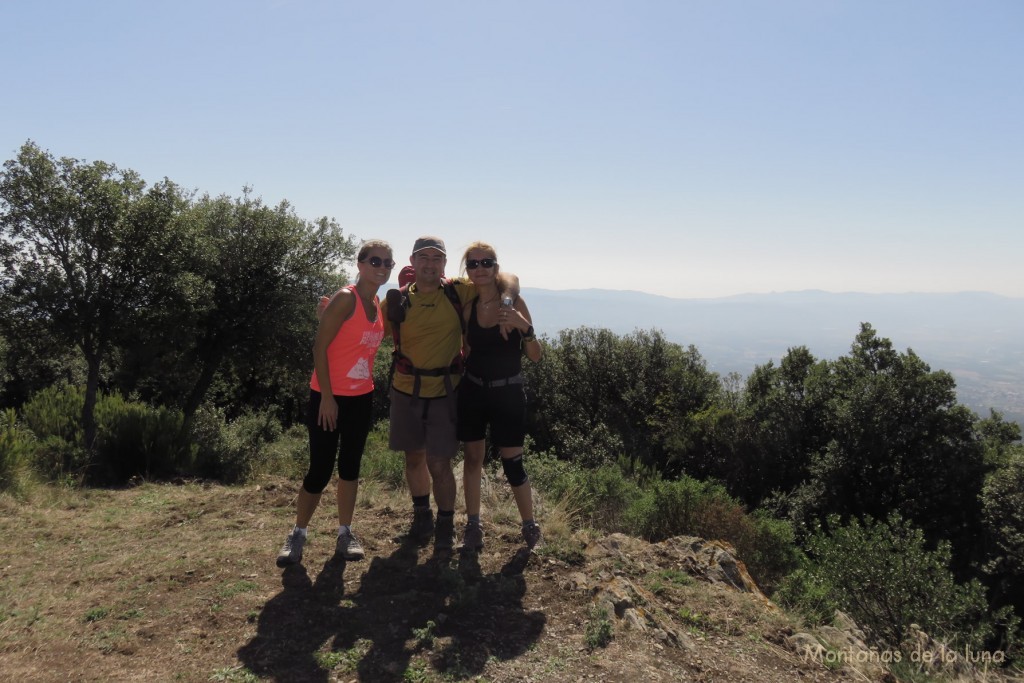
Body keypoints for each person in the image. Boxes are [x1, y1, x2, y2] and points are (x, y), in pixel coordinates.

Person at [383, 236, 518, 551]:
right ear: (412, 262)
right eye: (424, 258)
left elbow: (508, 279)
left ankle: (445, 523)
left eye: (437, 258)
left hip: (446, 391)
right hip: (405, 390)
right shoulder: (396, 300)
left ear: (444, 264)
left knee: (439, 462)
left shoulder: (457, 291)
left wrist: (508, 300)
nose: (430, 264)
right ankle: (422, 517)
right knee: (413, 457)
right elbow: (369, 332)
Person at [276, 240, 393, 567]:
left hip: (361, 397)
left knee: (350, 467)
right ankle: (298, 533)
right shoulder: (346, 298)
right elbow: (319, 348)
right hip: (329, 396)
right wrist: (327, 397)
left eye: (387, 263)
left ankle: (345, 533)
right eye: (374, 261)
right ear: (360, 264)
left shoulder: (376, 303)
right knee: (320, 468)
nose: (381, 267)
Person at [456, 242, 543, 552]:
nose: (480, 269)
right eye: (473, 264)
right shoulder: (468, 308)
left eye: (486, 263)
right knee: (473, 459)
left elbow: (535, 356)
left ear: (496, 267)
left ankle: (529, 525)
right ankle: (473, 526)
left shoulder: (515, 302)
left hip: (508, 392)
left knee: (513, 463)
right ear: (467, 271)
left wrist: (525, 328)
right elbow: (466, 348)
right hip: (474, 390)